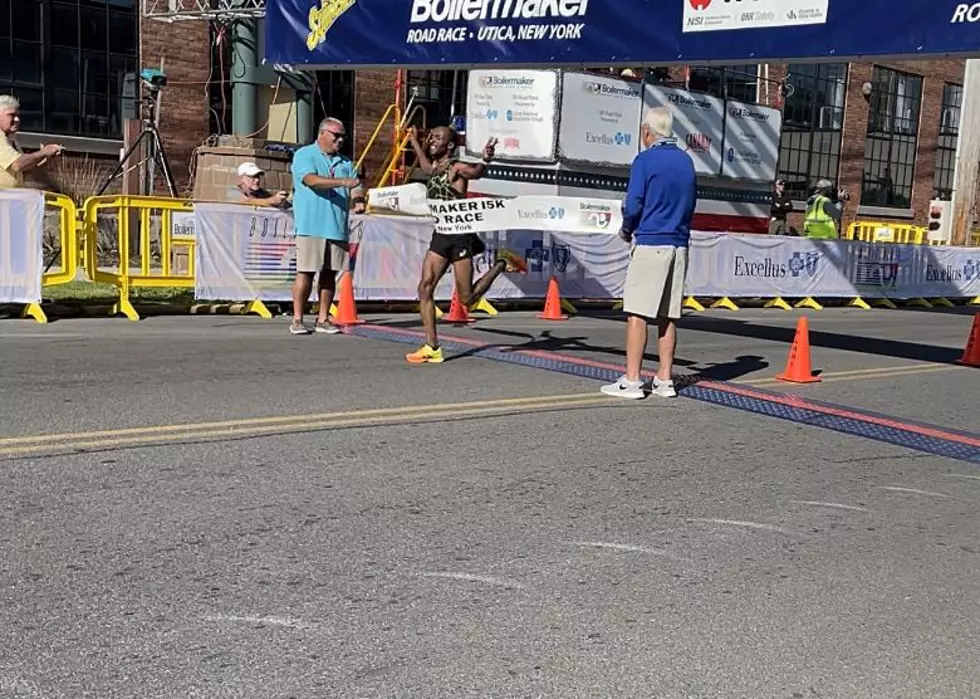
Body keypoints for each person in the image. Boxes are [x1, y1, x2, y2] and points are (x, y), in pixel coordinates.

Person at [403, 125, 527, 364]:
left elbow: (476, 172)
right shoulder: (436, 167)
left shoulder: (456, 167)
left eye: (437, 138)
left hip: (460, 236)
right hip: (441, 233)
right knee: (425, 288)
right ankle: (432, 346)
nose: (432, 140)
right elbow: (426, 167)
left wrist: (485, 159)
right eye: (432, 137)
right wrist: (414, 141)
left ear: (449, 146)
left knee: (467, 300)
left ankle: (502, 262)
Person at [601, 106, 697, 400]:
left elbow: (633, 204)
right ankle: (665, 379)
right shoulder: (686, 161)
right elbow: (692, 202)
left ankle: (632, 380)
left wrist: (627, 228)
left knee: (637, 313)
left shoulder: (645, 160)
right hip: (678, 243)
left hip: (651, 240)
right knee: (668, 315)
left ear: (647, 131)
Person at [288, 117, 364, 335]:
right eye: (336, 135)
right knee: (306, 272)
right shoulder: (305, 155)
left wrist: (358, 199)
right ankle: (297, 319)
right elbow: (311, 180)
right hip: (310, 225)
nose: (340, 140)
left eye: (343, 137)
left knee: (330, 273)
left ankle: (323, 318)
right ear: (322, 133)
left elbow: (356, 185)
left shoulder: (346, 163)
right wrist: (342, 182)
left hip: (337, 226)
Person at [0, 95, 63, 189]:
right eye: (11, 115)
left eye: (17, 115)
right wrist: (44, 152)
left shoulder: (11, 138)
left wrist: (44, 157)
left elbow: (24, 169)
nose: (17, 119)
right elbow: (17, 165)